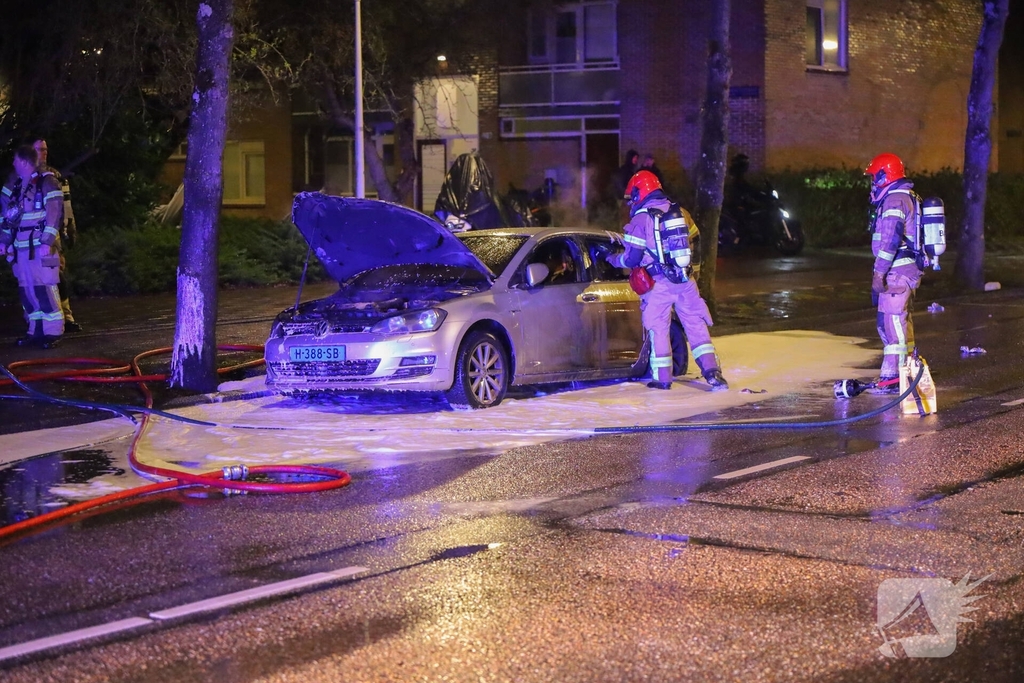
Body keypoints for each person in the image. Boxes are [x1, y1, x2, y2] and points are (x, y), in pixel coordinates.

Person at [605, 170, 728, 391]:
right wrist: (694, 272)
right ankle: (713, 374)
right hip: (685, 280)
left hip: (659, 284)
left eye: (633, 196)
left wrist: (612, 259)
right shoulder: (681, 212)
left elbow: (631, 259)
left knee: (659, 328)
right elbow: (696, 240)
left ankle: (663, 379)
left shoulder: (641, 219)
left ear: (640, 192)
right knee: (696, 325)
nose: (632, 202)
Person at [864, 152, 924, 393]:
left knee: (893, 324)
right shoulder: (905, 196)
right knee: (899, 321)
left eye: (873, 178)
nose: (871, 183)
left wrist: (878, 275)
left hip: (897, 272)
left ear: (883, 176)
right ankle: (902, 371)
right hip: (904, 270)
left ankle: (897, 378)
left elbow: (889, 242)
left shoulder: (894, 200)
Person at [1, 144, 65, 348]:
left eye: (15, 159)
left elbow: (55, 212)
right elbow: (9, 217)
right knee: (27, 291)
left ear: (23, 161)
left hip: (40, 247)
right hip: (22, 250)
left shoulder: (47, 181)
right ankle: (35, 330)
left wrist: (47, 241)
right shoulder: (17, 185)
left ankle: (52, 332)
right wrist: (4, 241)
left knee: (45, 288)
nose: (12, 163)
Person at [33, 138, 81, 332]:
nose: (43, 153)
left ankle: (66, 316)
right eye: (39, 150)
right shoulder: (24, 179)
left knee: (57, 274)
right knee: (36, 279)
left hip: (52, 237)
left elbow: (66, 206)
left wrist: (70, 227)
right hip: (30, 238)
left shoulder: (56, 176)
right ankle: (42, 319)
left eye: (45, 150)